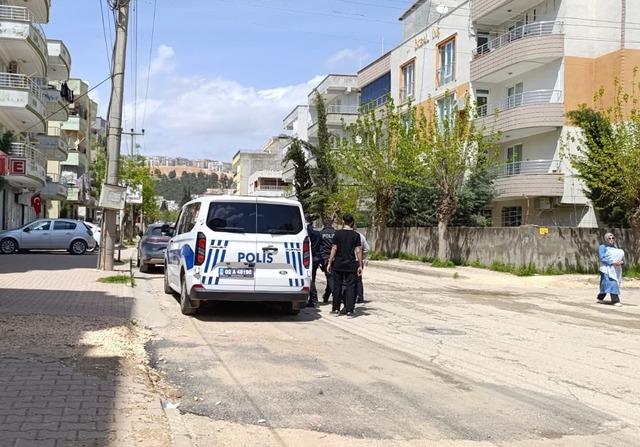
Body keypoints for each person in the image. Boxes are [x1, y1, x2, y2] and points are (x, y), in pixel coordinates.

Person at [327, 214, 363, 317]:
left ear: (343, 221)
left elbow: (334, 248)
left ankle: (335, 309)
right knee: (350, 287)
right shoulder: (356, 235)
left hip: (338, 264)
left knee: (337, 286)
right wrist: (360, 265)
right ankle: (349, 311)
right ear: (352, 222)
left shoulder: (337, 234)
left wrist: (330, 262)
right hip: (351, 264)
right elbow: (358, 250)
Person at [597, 232, 625, 307]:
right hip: (606, 269)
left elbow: (618, 257)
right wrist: (612, 263)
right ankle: (615, 300)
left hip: (615, 269)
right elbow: (602, 258)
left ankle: (600, 297)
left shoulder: (615, 247)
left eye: (613, 238)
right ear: (606, 239)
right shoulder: (602, 247)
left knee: (605, 284)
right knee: (612, 283)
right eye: (609, 238)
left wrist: (621, 262)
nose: (611, 239)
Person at [318, 218, 336, 303]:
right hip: (335, 258)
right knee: (331, 277)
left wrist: (320, 261)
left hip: (325, 258)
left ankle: (336, 296)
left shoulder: (321, 233)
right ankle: (326, 296)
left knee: (330, 278)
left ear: (324, 224)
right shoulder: (336, 233)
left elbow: (319, 247)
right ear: (331, 224)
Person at [306, 216, 322, 308]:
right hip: (316, 257)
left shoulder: (308, 231)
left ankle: (314, 300)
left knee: (310, 279)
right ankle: (313, 299)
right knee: (313, 278)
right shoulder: (317, 231)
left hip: (310, 257)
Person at [354, 224, 370, 304]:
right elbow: (367, 249)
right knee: (358, 279)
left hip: (349, 261)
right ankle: (360, 297)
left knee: (347, 280)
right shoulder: (361, 236)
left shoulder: (345, 235)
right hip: (358, 261)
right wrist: (362, 257)